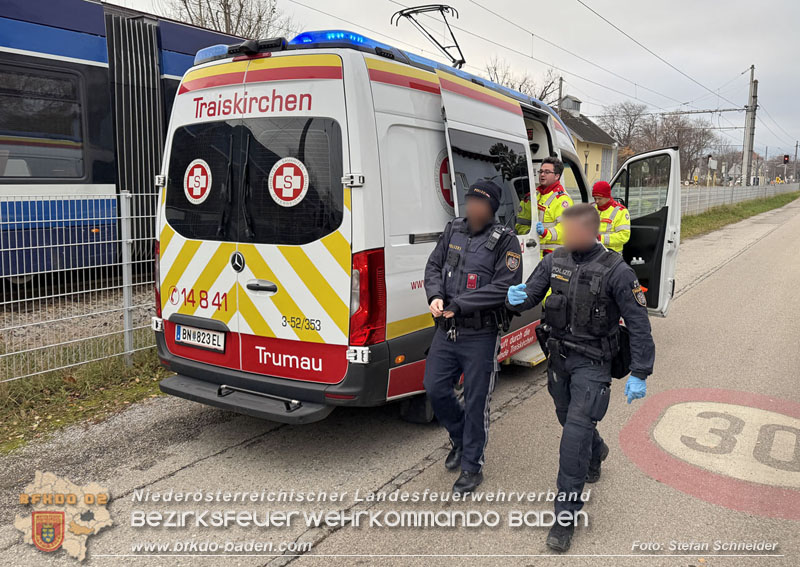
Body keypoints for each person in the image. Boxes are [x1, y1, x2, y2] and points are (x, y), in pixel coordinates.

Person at [505, 203, 654, 552]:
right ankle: (597, 450)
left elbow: (638, 323)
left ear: (592, 230)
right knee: (566, 417)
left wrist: (641, 372)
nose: (566, 236)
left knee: (573, 438)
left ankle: (565, 516)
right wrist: (515, 298)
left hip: (594, 362)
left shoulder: (616, 271)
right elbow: (530, 293)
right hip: (559, 356)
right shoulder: (554, 261)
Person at [423, 179, 522, 494]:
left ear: (492, 207)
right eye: (470, 202)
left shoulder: (505, 241)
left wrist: (460, 304)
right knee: (435, 388)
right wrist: (435, 296)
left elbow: (503, 287)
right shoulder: (454, 230)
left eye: (480, 204)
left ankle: (472, 467)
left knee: (476, 400)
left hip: (480, 332)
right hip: (447, 330)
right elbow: (434, 266)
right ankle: (461, 438)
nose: (473, 208)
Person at [514, 156, 573, 257]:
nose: (542, 174)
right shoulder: (531, 196)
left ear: (557, 176)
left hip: (553, 257)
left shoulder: (563, 200)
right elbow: (521, 223)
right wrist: (530, 233)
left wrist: (545, 233)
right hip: (532, 253)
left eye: (547, 172)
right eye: (540, 171)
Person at [592, 181, 630, 253]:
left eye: (599, 198)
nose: (596, 201)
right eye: (595, 198)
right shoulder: (591, 208)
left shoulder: (620, 211)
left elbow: (623, 236)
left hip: (611, 255)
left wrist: (601, 239)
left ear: (607, 196)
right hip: (592, 253)